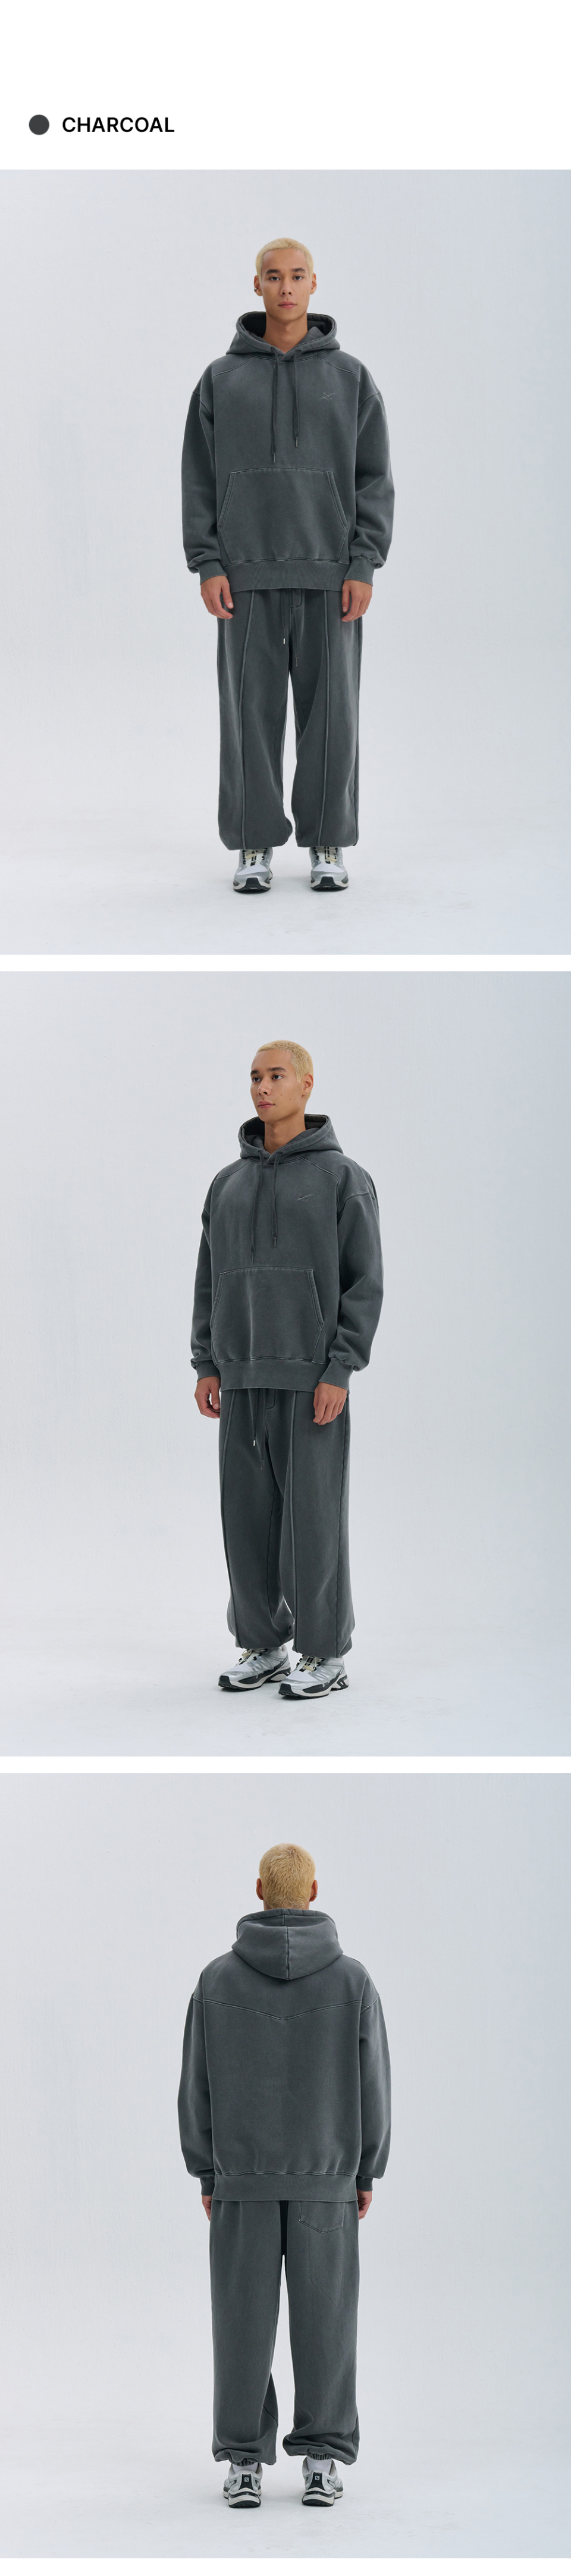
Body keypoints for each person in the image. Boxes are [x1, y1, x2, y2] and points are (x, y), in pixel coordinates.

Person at [178, 1839, 391, 2509]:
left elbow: (195, 2086)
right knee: (328, 2322)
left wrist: (207, 2171)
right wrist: (367, 2168)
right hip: (327, 2182)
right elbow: (374, 2083)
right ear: (314, 1891)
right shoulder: (353, 1982)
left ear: (259, 1890)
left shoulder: (217, 1980)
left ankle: (243, 2463)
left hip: (241, 2182)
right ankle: (323, 2460)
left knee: (240, 2323)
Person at [181, 236, 394, 892]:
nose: (286, 288)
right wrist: (207, 561)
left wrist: (363, 561)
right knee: (249, 715)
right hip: (245, 575)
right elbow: (198, 477)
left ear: (313, 284)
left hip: (331, 574)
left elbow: (373, 477)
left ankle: (328, 840)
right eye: (273, 277)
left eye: (297, 276)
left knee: (332, 717)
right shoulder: (220, 379)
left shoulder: (351, 377)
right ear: (257, 286)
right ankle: (254, 842)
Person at [192, 1039, 383, 1698]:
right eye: (255, 1076)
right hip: (240, 1375)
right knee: (245, 1522)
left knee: (314, 1524)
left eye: (276, 1075)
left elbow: (364, 1281)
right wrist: (206, 1360)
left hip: (312, 1380)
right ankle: (262, 1643)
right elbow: (208, 1279)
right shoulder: (226, 1184)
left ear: (306, 1084)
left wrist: (341, 1366)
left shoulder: (343, 1178)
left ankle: (324, 1652)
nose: (263, 1087)